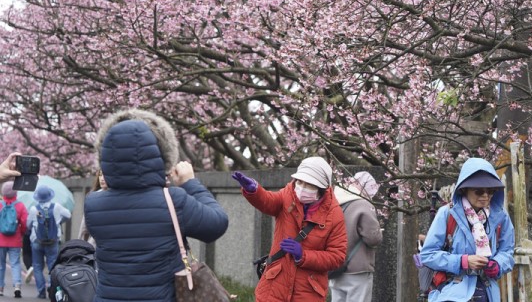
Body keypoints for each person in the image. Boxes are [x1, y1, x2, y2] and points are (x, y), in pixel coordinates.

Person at [84, 109, 229, 302]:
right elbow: (217, 224)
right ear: (159, 153)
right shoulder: (173, 200)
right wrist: (190, 183)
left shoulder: (93, 203)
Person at [232, 156, 347, 302]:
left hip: (308, 292)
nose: (301, 188)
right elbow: (269, 201)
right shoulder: (288, 195)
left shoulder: (334, 214)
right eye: (299, 181)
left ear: (322, 188)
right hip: (275, 287)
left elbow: (337, 257)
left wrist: (303, 255)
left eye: (309, 184)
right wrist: (254, 191)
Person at [419, 157, 515, 302]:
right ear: (464, 189)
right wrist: (463, 261)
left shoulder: (500, 216)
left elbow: (507, 252)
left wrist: (497, 265)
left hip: (487, 293)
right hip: (451, 293)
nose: (485, 196)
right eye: (479, 191)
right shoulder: (447, 213)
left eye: (490, 191)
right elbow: (428, 254)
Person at [329, 171, 383, 302]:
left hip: (335, 268)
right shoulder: (363, 205)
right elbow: (373, 238)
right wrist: (379, 232)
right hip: (357, 270)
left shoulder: (334, 202)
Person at [27, 185, 71, 299]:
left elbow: (28, 225)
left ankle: (41, 291)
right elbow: (68, 215)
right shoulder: (57, 207)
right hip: (53, 240)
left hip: (37, 240)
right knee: (52, 265)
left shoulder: (33, 209)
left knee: (37, 266)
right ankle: (53, 290)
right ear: (49, 196)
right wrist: (59, 222)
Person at [0, 181, 28, 298]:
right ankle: (17, 286)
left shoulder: (0, 204)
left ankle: (0, 288)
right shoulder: (20, 205)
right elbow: (25, 222)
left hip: (0, 240)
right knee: (15, 264)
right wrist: (21, 233)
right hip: (15, 240)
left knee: (0, 265)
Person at [78, 169, 107, 247]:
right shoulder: (92, 197)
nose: (102, 178)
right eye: (100, 175)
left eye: (105, 175)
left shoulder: (92, 197)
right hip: (95, 243)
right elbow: (84, 226)